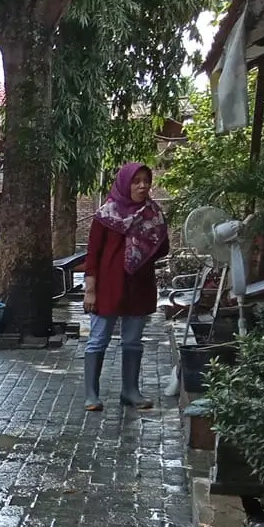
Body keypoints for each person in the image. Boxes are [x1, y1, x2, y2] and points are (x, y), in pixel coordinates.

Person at [84, 162, 168, 411]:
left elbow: (162, 248)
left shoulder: (154, 214)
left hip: (139, 285)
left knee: (133, 341)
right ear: (124, 183)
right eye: (136, 181)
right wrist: (90, 289)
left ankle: (130, 391)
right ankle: (91, 394)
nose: (142, 185)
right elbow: (93, 254)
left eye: (146, 180)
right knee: (98, 339)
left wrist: (148, 236)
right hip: (108, 286)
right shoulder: (106, 214)